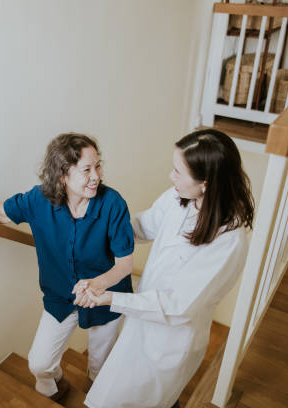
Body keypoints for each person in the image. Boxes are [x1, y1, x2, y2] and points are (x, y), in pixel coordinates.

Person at [0, 132, 135, 401]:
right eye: (87, 170)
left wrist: (99, 283)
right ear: (62, 175)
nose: (97, 176)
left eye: (98, 165)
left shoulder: (112, 203)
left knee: (100, 366)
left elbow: (125, 264)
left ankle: (95, 397)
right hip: (60, 296)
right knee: (40, 364)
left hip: (106, 296)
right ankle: (59, 387)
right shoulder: (39, 200)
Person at [73, 129, 254, 408]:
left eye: (178, 172)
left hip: (171, 340)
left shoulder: (229, 240)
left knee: (146, 401)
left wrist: (110, 298)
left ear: (205, 183)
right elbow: (144, 226)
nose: (172, 177)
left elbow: (178, 305)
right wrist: (95, 231)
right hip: (140, 324)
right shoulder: (178, 196)